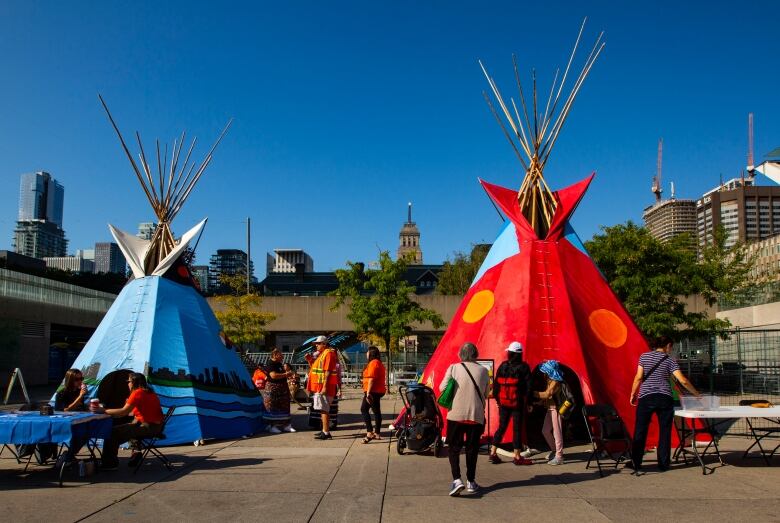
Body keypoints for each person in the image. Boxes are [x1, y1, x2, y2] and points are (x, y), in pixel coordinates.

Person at [629, 335, 700, 472]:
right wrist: (696, 394)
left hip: (646, 397)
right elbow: (682, 380)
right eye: (671, 347)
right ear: (667, 345)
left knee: (640, 431)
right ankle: (663, 463)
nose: (671, 349)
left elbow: (638, 377)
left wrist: (633, 393)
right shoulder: (670, 360)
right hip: (664, 398)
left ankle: (636, 463)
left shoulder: (644, 357)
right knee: (665, 431)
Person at [440, 342, 489, 496]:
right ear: (476, 354)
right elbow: (487, 393)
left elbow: (442, 388)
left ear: (461, 354)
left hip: (456, 414)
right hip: (476, 415)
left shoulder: (454, 368)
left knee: (454, 448)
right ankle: (471, 481)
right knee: (472, 449)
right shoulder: (484, 370)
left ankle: (456, 480)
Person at [99, 373, 164, 470]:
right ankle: (136, 451)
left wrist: (103, 411)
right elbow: (138, 412)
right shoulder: (150, 392)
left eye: (128, 381)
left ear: (133, 382)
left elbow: (123, 412)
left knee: (113, 432)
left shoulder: (137, 393)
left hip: (149, 427)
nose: (127, 384)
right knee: (129, 425)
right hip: (157, 426)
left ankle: (109, 464)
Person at [488, 342, 533, 466]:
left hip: (503, 403)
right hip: (517, 403)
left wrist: (498, 401)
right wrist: (529, 403)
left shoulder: (503, 366)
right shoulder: (524, 367)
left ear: (510, 353)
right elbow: (529, 388)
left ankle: (493, 453)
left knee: (501, 427)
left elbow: (496, 386)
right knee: (517, 429)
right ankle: (517, 457)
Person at [533, 360, 565, 465]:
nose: (544, 373)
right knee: (545, 431)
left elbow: (548, 393)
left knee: (557, 433)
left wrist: (532, 393)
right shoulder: (550, 380)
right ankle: (555, 450)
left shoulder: (556, 381)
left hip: (556, 409)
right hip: (550, 409)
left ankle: (559, 456)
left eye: (545, 371)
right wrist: (540, 402)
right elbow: (548, 396)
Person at [308, 335, 338, 440]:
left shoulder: (328, 353)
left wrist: (324, 386)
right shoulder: (323, 354)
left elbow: (328, 371)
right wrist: (309, 360)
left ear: (324, 344)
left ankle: (326, 432)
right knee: (322, 409)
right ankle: (324, 430)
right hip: (320, 386)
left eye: (318, 343)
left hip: (325, 387)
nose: (316, 345)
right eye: (316, 343)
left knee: (324, 409)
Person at [263, 348, 296, 433]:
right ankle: (272, 426)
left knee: (284, 406)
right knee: (272, 406)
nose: (283, 356)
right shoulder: (270, 364)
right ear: (275, 355)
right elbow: (273, 376)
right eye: (281, 355)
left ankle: (286, 425)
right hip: (273, 388)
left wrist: (288, 376)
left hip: (282, 388)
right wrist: (286, 374)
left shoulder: (279, 364)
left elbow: (281, 374)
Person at [360, 346, 387, 443]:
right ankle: (377, 433)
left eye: (367, 352)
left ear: (371, 353)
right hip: (376, 391)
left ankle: (370, 432)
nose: (366, 354)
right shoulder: (378, 363)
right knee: (376, 411)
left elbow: (371, 378)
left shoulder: (373, 363)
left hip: (373, 391)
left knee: (364, 409)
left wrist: (368, 393)